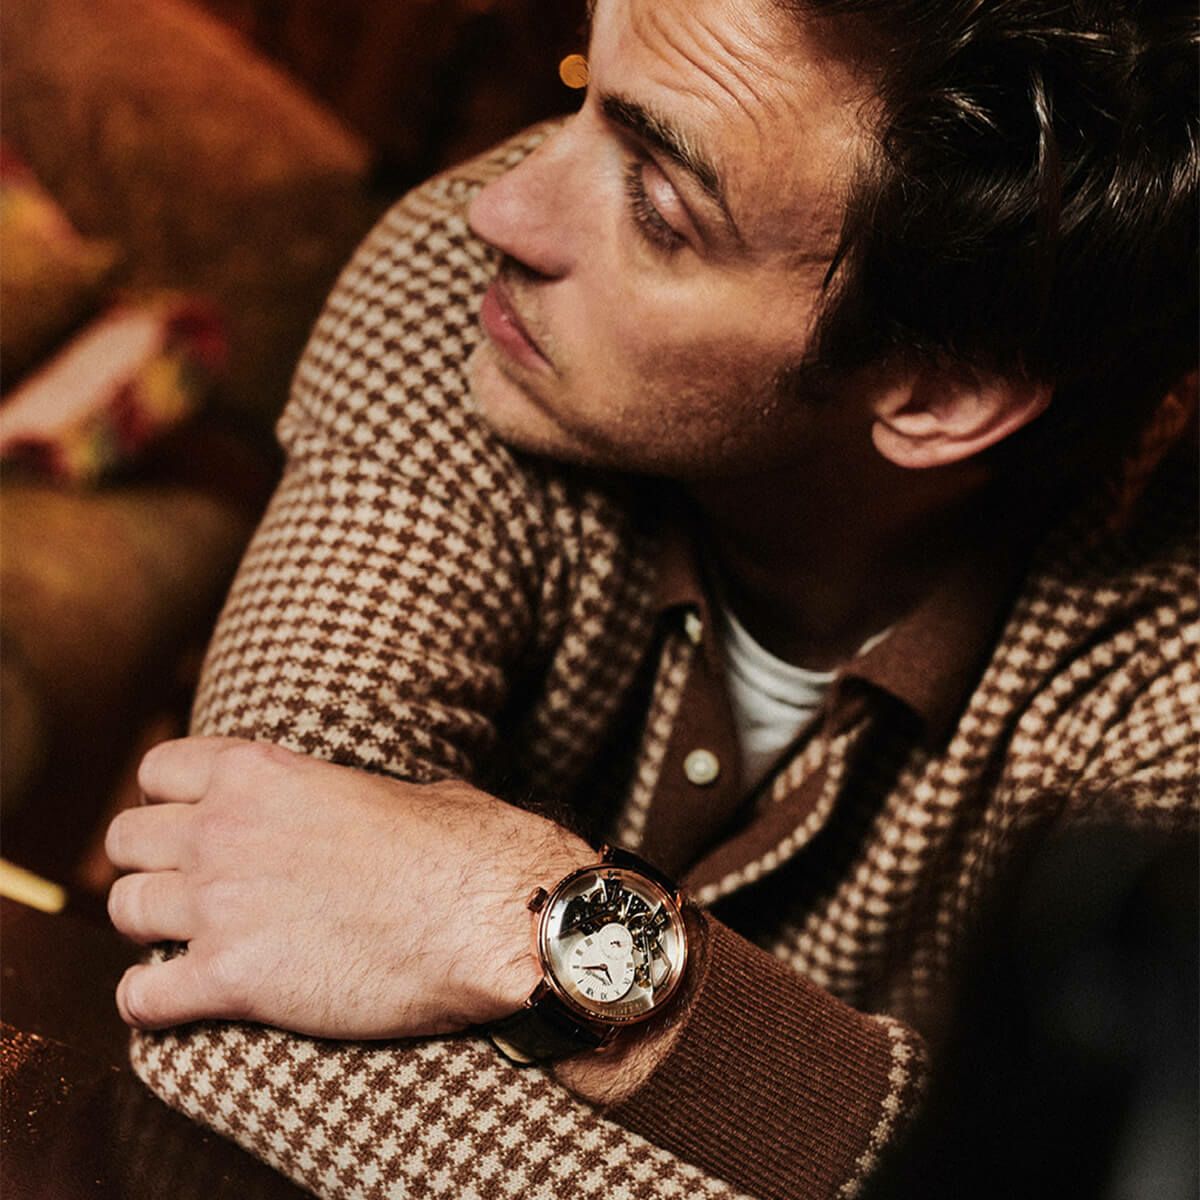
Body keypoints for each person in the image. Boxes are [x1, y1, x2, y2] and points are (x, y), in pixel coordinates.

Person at [103, 1, 1198, 1197]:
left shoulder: (1172, 660)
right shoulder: (474, 304)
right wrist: (833, 1111)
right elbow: (224, 948)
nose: (499, 207)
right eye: (581, 90)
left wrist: (516, 920)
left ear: (941, 394)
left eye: (660, 207)